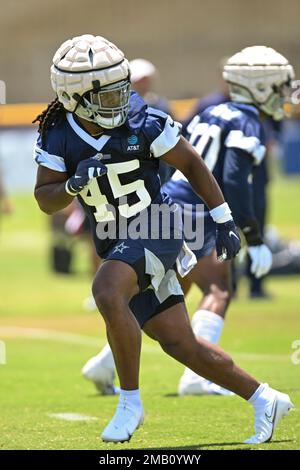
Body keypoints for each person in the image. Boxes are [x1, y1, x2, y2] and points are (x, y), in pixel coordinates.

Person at [34, 35, 292, 444]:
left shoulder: (143, 120)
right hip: (113, 237)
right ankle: (265, 397)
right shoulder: (57, 132)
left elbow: (191, 162)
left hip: (160, 224)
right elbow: (45, 198)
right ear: (75, 98)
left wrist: (223, 219)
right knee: (180, 343)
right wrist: (71, 186)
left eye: (122, 87)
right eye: (107, 94)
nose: (121, 100)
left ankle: (129, 402)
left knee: (105, 288)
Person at [83, 45, 292, 397]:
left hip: (171, 204)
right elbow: (235, 178)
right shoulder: (246, 121)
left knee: (165, 294)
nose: (284, 94)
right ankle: (196, 377)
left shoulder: (211, 110)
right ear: (259, 87)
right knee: (219, 288)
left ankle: (104, 363)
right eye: (278, 85)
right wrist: (253, 236)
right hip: (196, 212)